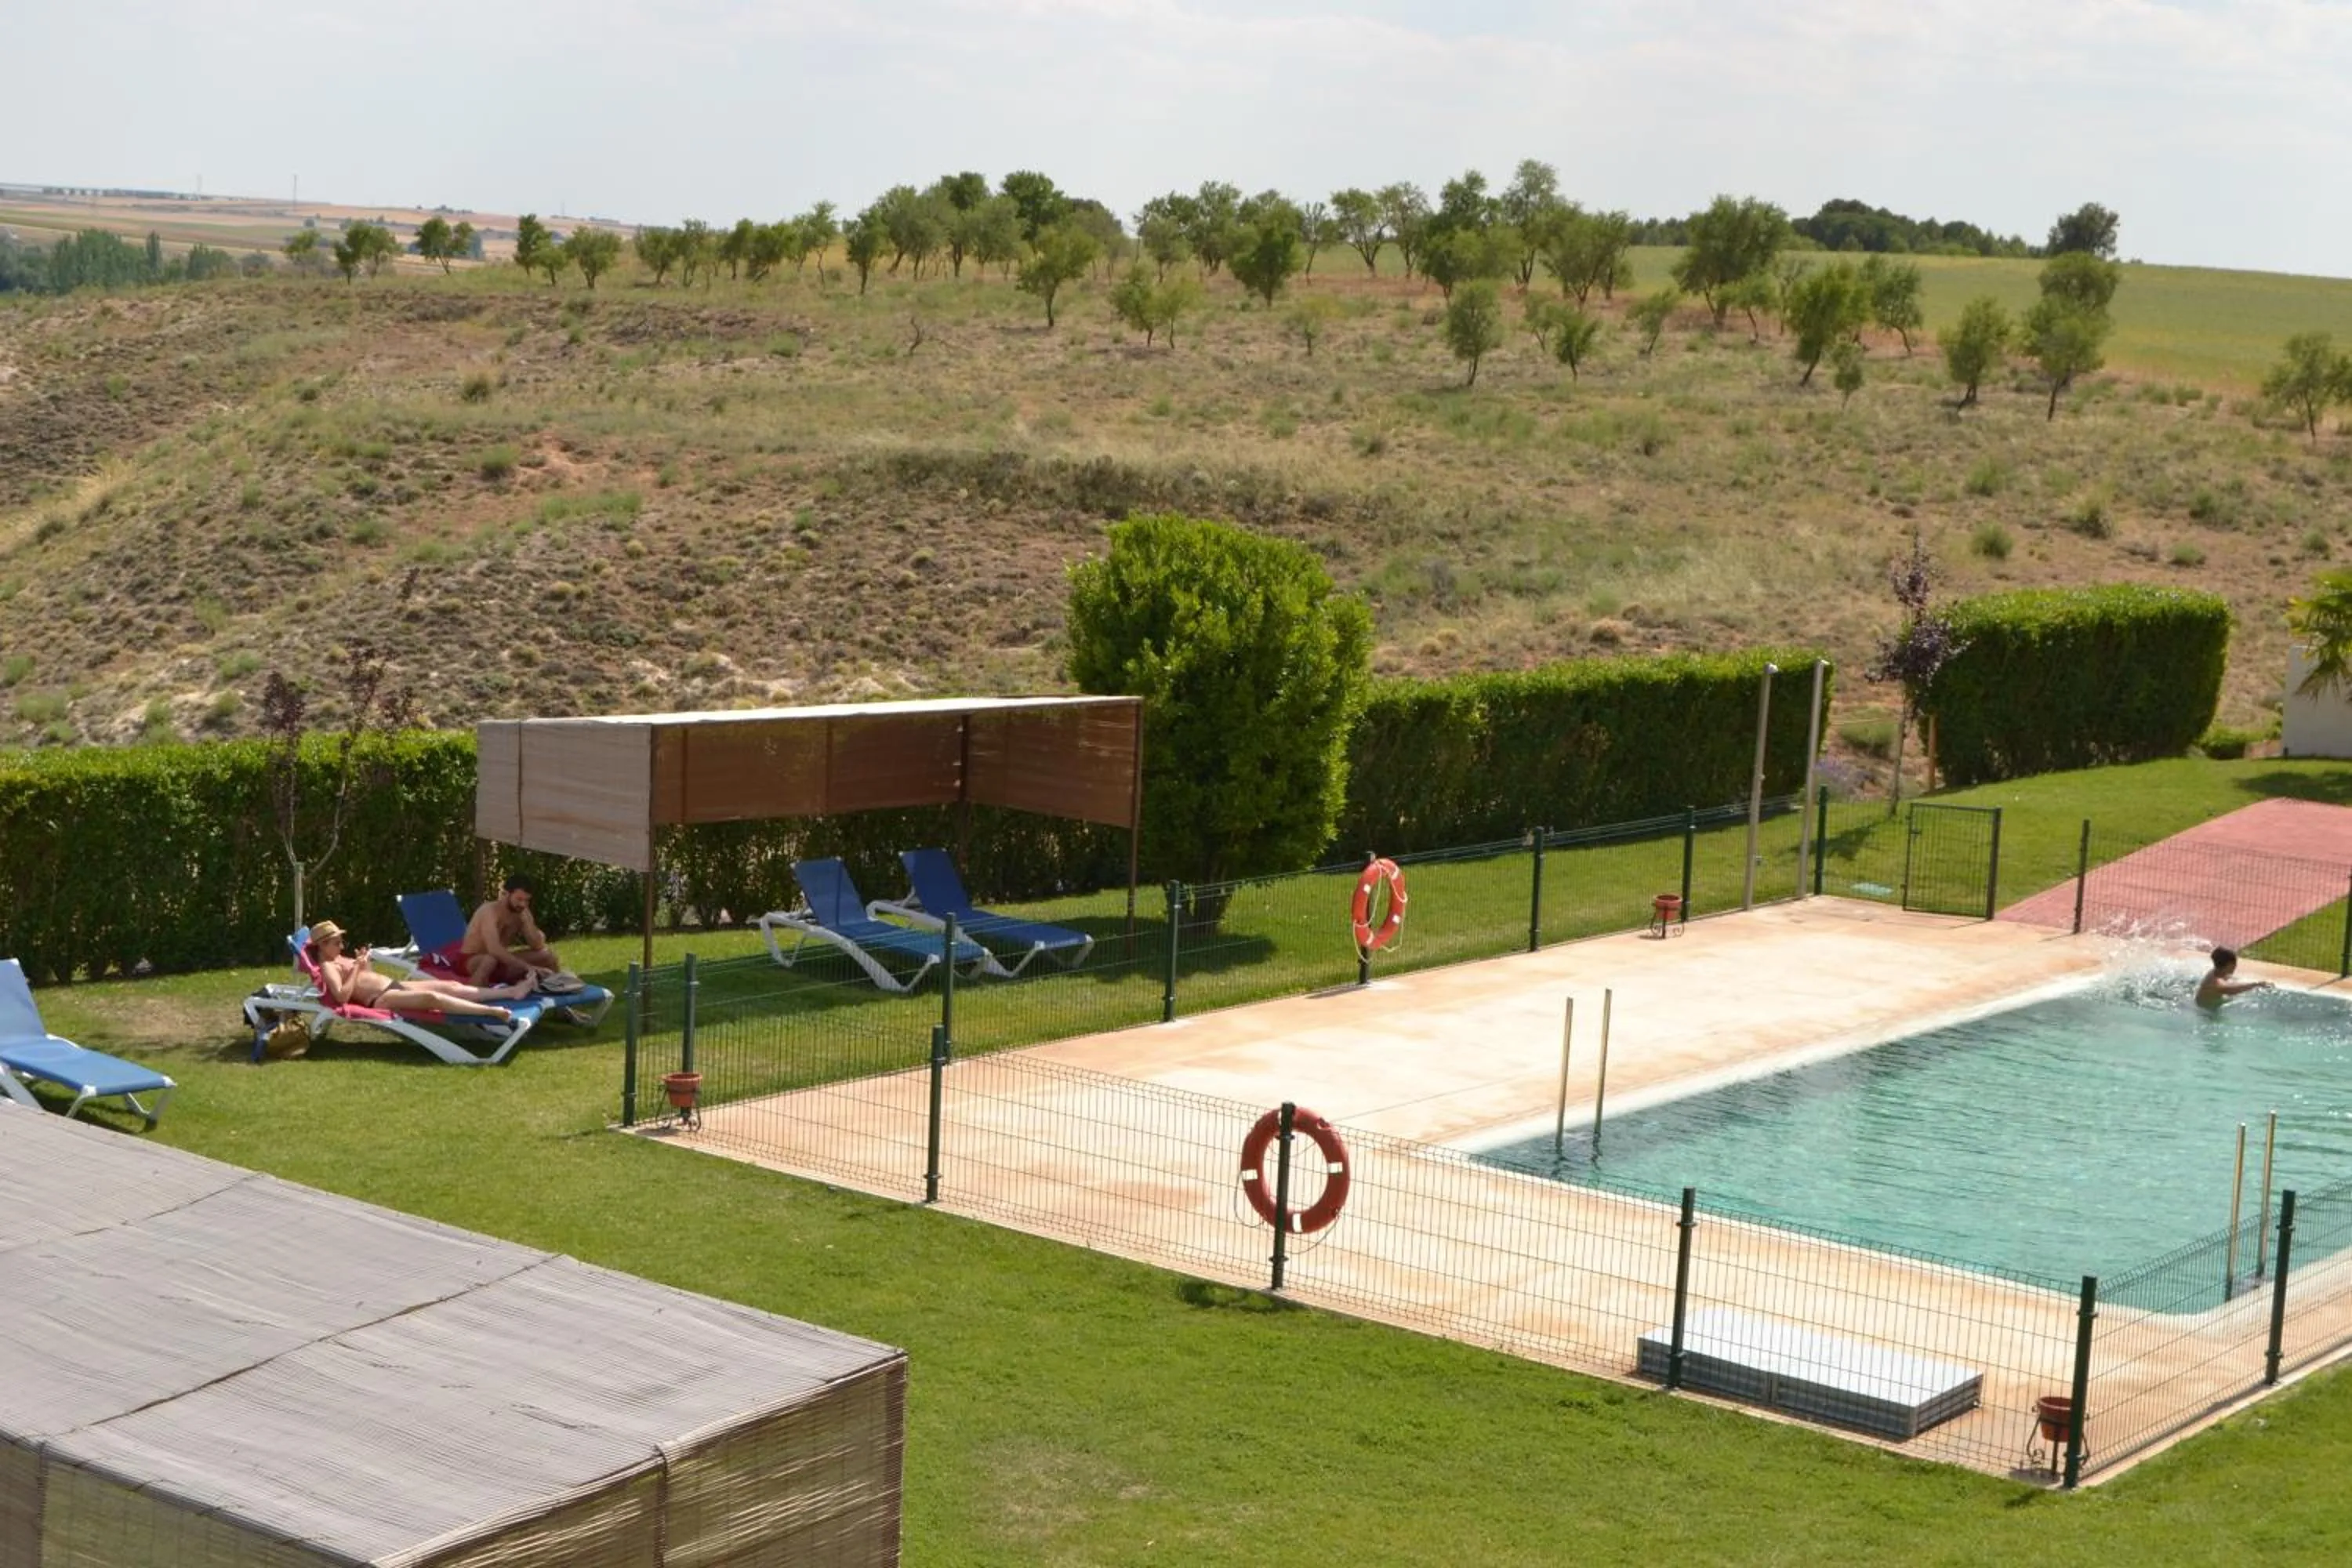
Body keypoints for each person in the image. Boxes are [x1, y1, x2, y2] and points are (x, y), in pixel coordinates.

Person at [307, 920, 533, 1020]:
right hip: (381, 999)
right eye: (337, 942)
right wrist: (356, 967)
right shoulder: (328, 966)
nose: (342, 946)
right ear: (322, 946)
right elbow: (342, 996)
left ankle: (511, 992)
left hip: (391, 986)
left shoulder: (338, 958)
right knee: (432, 998)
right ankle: (490, 1012)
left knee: (450, 986)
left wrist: (363, 963)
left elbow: (365, 977)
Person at [462, 874, 563, 987]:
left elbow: (537, 945)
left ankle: (559, 989)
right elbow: (493, 949)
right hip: (473, 961)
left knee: (548, 956)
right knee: (490, 960)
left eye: (527, 900)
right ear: (506, 894)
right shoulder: (489, 911)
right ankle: (474, 993)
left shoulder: (521, 911)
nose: (523, 904)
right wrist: (528, 967)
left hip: (501, 962)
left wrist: (526, 921)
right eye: (519, 899)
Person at [2195, 947, 2273, 1010]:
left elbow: (2229, 981)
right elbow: (2230, 990)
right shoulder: (2216, 982)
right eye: (2235, 964)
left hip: (2205, 1006)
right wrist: (2256, 984)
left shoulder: (2217, 972)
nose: (2236, 966)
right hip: (2207, 1012)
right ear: (2230, 965)